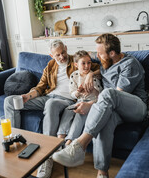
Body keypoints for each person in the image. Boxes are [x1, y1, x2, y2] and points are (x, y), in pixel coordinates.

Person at [53, 33, 148, 178]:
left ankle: (80, 144)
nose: (96, 56)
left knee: (108, 93)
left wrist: (90, 104)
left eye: (99, 53)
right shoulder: (107, 59)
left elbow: (115, 96)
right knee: (104, 121)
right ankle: (102, 172)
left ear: (112, 53)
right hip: (114, 109)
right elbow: (86, 56)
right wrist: (91, 74)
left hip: (136, 108)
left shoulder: (130, 65)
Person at [4, 39, 100, 178]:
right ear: (51, 56)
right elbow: (41, 86)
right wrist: (28, 96)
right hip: (48, 97)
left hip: (67, 100)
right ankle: (14, 144)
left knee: (51, 104)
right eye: (58, 55)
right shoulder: (50, 65)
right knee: (9, 101)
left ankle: (46, 158)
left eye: (63, 52)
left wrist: (91, 74)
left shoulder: (77, 60)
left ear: (66, 48)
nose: (62, 57)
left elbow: (101, 67)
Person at [57, 50, 103, 145]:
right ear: (76, 65)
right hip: (78, 100)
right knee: (68, 110)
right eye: (83, 63)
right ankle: (61, 136)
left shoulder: (93, 76)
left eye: (89, 63)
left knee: (80, 113)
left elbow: (101, 95)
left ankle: (70, 140)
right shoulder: (74, 76)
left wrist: (94, 91)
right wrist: (78, 92)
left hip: (92, 102)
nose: (87, 66)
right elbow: (72, 93)